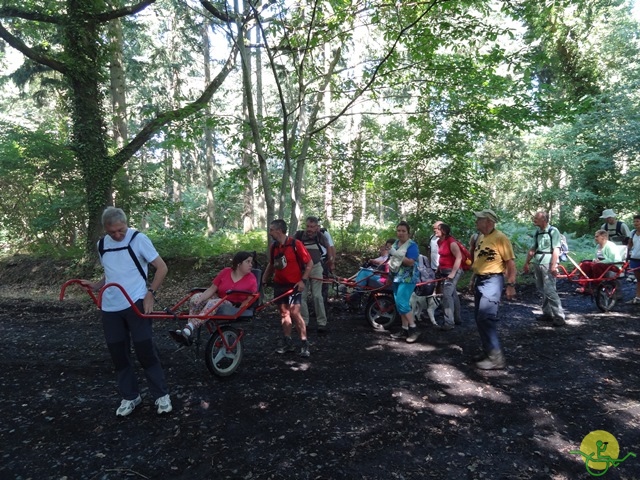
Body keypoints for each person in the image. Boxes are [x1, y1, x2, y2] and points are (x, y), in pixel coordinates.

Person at [80, 207, 172, 417]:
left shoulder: (138, 239)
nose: (117, 235)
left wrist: (150, 293)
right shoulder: (102, 244)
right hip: (110, 307)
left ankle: (161, 395)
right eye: (112, 232)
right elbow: (111, 274)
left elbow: (162, 267)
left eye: (120, 230)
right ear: (105, 229)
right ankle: (130, 396)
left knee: (145, 350)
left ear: (126, 224)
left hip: (136, 303)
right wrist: (96, 286)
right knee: (118, 354)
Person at [169, 251, 258, 345]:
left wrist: (240, 309)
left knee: (215, 302)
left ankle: (189, 327)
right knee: (196, 297)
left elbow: (250, 298)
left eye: (251, 262)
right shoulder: (226, 272)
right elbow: (212, 289)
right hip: (218, 298)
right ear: (239, 264)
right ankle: (188, 331)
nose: (251, 265)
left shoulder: (251, 279)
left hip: (232, 305)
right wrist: (201, 299)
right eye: (248, 262)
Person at [471, 209, 516, 370]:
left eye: (479, 219)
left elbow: (510, 263)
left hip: (493, 280)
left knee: (486, 318)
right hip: (480, 279)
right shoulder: (481, 237)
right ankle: (488, 352)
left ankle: (496, 359)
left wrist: (511, 285)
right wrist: (472, 279)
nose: (476, 222)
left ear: (489, 222)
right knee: (479, 317)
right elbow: (479, 261)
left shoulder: (500, 238)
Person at [262, 219, 314, 357]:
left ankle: (304, 343)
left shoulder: (295, 244)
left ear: (279, 230)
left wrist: (303, 281)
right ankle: (288, 342)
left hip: (295, 284)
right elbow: (271, 264)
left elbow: (309, 263)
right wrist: (264, 279)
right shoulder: (274, 247)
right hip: (279, 284)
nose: (270, 232)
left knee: (295, 312)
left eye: (271, 229)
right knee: (284, 314)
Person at [523, 211, 565, 327]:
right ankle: (547, 313)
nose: (534, 220)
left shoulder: (553, 231)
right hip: (537, 262)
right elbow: (533, 248)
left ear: (544, 220)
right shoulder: (537, 232)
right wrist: (526, 262)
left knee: (550, 289)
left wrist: (553, 265)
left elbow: (556, 249)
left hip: (548, 263)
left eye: (536, 218)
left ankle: (559, 316)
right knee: (542, 289)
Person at [296, 216, 331, 333]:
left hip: (316, 267)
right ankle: (304, 322)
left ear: (317, 227)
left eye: (312, 227)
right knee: (302, 296)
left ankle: (322, 323)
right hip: (303, 270)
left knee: (317, 296)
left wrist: (330, 261)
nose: (309, 229)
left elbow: (329, 247)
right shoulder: (299, 236)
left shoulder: (320, 236)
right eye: (308, 226)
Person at [388, 221, 421, 343]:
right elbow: (392, 262)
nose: (400, 233)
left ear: (408, 232)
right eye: (399, 230)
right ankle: (404, 329)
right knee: (400, 304)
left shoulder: (412, 245)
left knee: (402, 303)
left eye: (403, 231)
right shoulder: (396, 244)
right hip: (397, 277)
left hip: (408, 278)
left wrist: (395, 254)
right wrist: (389, 277)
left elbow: (410, 262)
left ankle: (414, 329)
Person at [576, 230, 625, 295]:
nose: (595, 238)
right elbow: (595, 257)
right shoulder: (598, 246)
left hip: (613, 265)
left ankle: (597, 285)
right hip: (601, 264)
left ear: (603, 237)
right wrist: (594, 260)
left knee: (597, 266)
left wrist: (600, 262)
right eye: (595, 237)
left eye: (597, 237)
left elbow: (612, 259)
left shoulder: (610, 246)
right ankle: (584, 285)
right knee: (585, 264)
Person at [434, 223, 464, 330]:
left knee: (446, 295)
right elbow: (442, 256)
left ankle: (449, 323)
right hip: (444, 271)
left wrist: (453, 273)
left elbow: (459, 257)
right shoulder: (439, 241)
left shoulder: (451, 242)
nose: (435, 231)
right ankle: (457, 318)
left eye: (437, 229)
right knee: (452, 294)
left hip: (454, 271)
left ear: (444, 231)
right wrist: (438, 267)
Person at [626, 214, 640, 304]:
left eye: (637, 221)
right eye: (634, 221)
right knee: (639, 279)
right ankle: (638, 298)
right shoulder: (633, 232)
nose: (635, 223)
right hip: (634, 258)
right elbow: (630, 245)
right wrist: (626, 255)